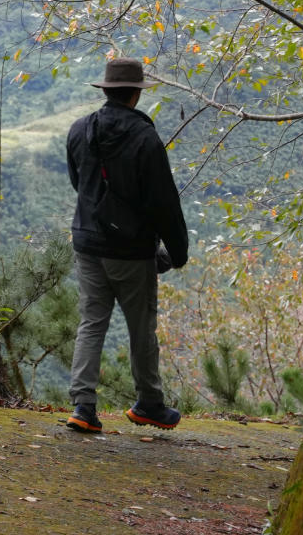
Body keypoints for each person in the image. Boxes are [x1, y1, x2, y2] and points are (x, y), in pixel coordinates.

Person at [64, 57, 188, 433]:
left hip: (88, 243)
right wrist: (176, 252)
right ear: (135, 94)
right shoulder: (144, 138)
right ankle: (149, 403)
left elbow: (80, 184)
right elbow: (163, 202)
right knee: (140, 327)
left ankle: (83, 407)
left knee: (92, 322)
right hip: (131, 251)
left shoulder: (79, 130)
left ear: (106, 90)